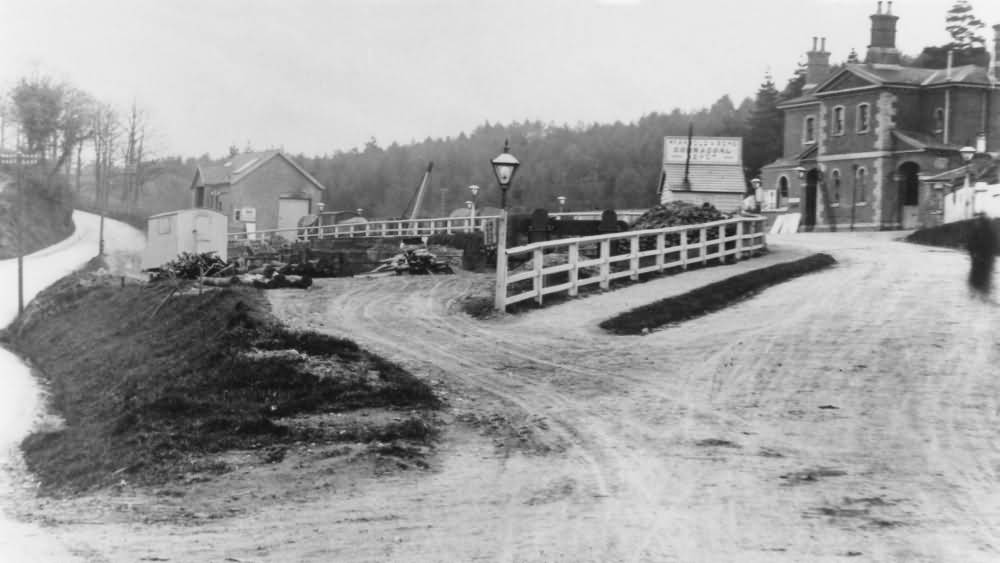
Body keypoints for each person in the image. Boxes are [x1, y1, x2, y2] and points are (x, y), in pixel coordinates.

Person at [966, 212, 996, 298]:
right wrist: (972, 253)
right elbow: (971, 243)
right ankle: (978, 292)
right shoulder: (979, 230)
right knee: (981, 275)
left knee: (981, 275)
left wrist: (973, 253)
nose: (977, 222)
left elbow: (992, 244)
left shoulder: (984, 230)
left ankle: (979, 292)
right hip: (981, 257)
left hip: (983, 257)